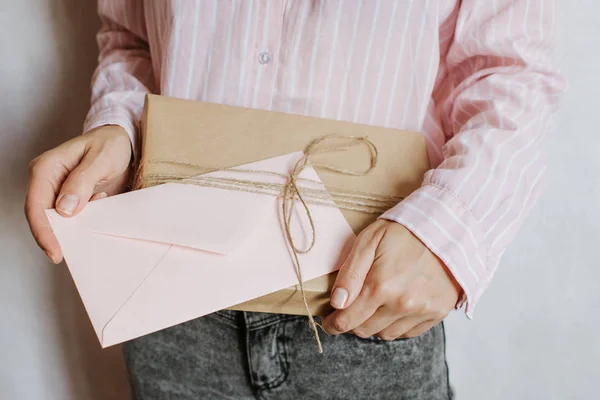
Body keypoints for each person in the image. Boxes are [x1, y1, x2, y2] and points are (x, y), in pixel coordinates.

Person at [25, 1, 566, 399]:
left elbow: (508, 71)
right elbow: (131, 37)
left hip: (363, 304)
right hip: (169, 298)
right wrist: (120, 126)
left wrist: (449, 228)